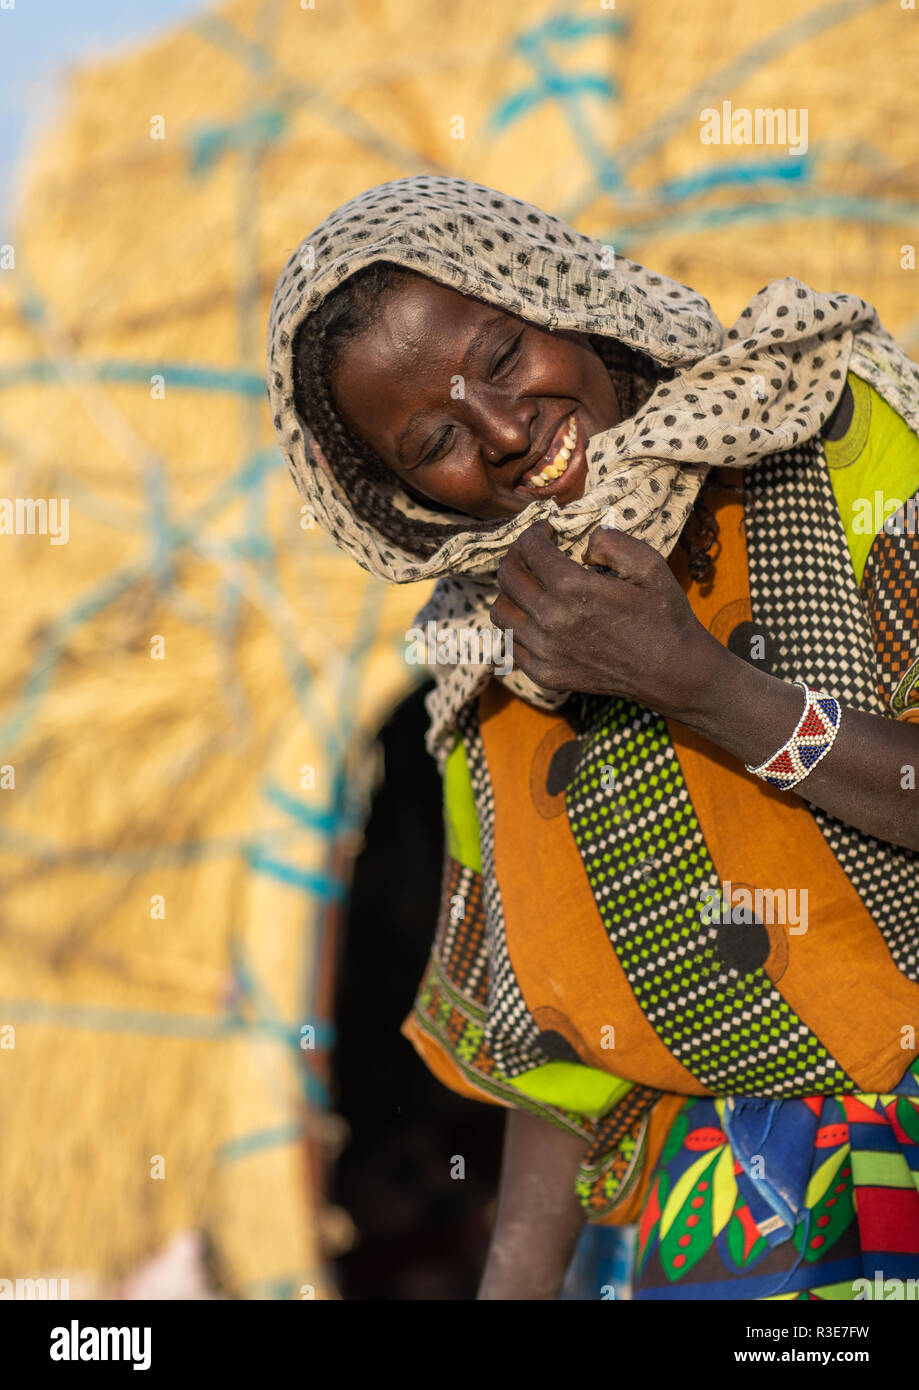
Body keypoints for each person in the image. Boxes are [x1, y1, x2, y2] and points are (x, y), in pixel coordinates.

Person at [267, 175, 919, 1300]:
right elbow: (561, 1049)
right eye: (434, 439)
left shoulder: (830, 431)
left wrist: (702, 687)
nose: (509, 431)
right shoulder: (484, 650)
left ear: (553, 292)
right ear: (397, 497)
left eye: (507, 356)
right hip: (731, 1229)